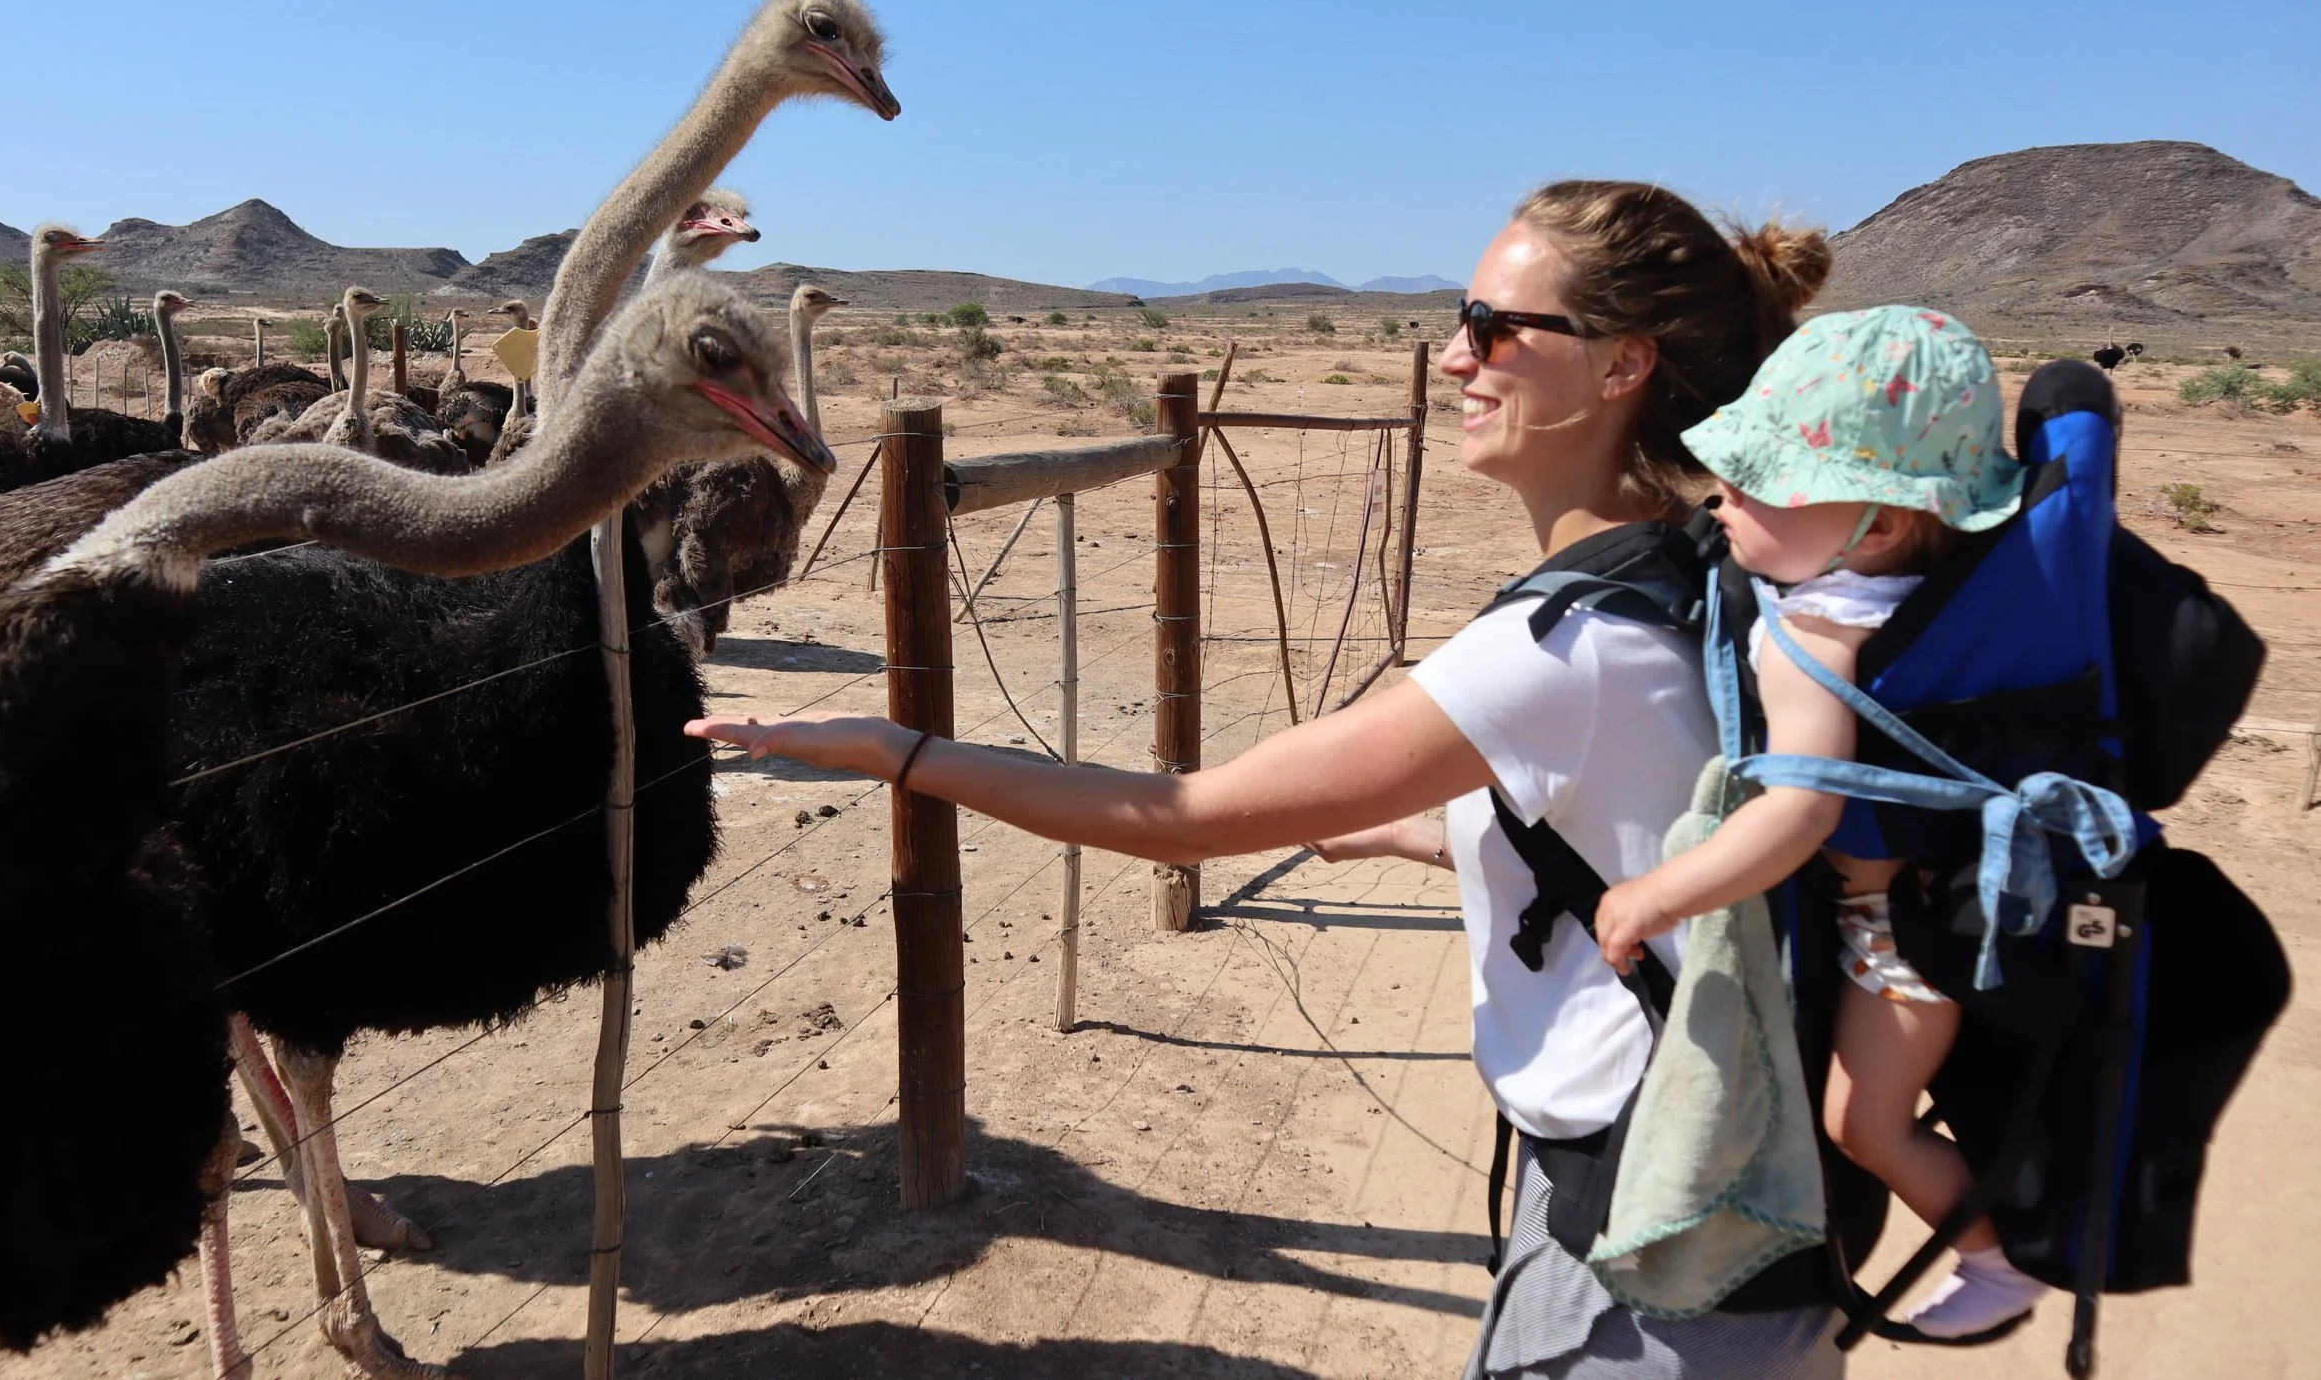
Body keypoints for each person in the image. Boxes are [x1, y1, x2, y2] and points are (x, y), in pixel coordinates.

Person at [690, 180, 1840, 1378]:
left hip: (1654, 1261)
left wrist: (900, 751)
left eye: (1492, 327)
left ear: (1621, 367)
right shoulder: (1699, 564)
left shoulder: (1561, 645)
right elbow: (1647, 822)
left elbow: (1182, 815)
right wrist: (1413, 836)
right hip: (1724, 1199)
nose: (1453, 357)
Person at [1590, 305, 2047, 1339]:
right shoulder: (1906, 590)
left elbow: (1799, 809)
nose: (1722, 498)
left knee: (1861, 1119)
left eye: (1759, 484)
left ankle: (1998, 1260)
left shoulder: (1822, 630)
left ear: (1876, 525)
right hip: (1911, 912)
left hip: (1901, 940)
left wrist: (1654, 894)